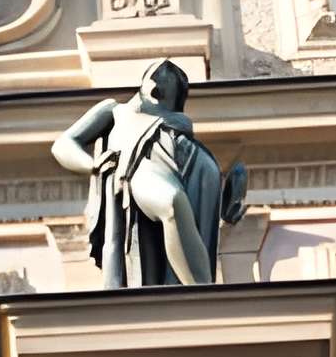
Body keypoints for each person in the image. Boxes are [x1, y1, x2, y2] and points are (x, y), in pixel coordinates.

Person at [51, 59, 245, 290]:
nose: (162, 71)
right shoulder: (116, 110)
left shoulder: (180, 130)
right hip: (139, 168)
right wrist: (91, 165)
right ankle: (201, 292)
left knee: (181, 211)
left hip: (191, 169)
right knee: (172, 202)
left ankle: (198, 296)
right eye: (156, 76)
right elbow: (64, 144)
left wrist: (222, 211)